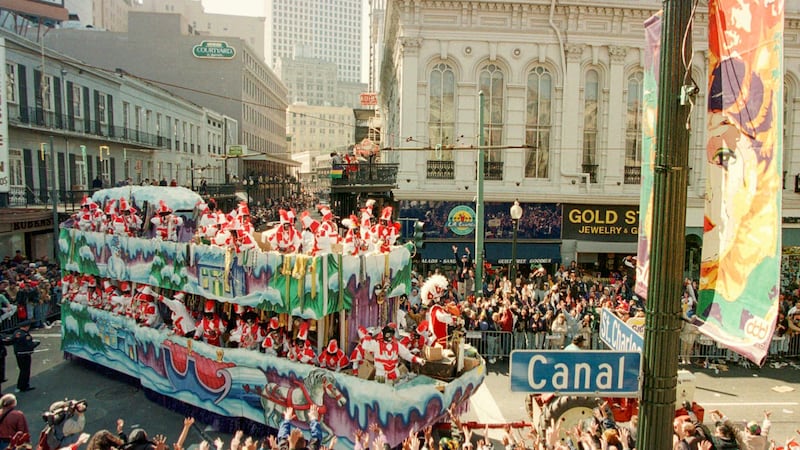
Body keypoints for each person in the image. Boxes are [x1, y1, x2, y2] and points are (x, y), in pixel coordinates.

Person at [11, 321, 39, 392]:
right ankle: (24, 386)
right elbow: (30, 345)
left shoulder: (16, 332)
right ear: (26, 326)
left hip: (18, 354)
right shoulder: (26, 335)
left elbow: (11, 341)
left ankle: (20, 385)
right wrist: (36, 343)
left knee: (22, 370)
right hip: (25, 354)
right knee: (25, 371)